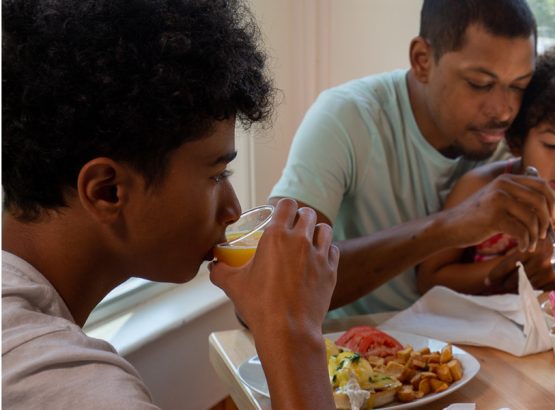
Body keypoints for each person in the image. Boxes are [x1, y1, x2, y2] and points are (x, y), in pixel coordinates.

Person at [2, 1, 339, 408]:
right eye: (217, 175)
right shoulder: (79, 391)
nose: (233, 210)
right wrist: (292, 329)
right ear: (107, 190)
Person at [270, 0, 555, 317]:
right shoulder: (347, 117)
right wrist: (449, 226)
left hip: (472, 351)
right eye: (480, 84)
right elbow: (276, 282)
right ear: (422, 60)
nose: (504, 110)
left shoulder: (515, 138)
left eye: (519, 85)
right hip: (351, 352)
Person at [418, 49, 555, 294]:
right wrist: (513, 269)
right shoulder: (479, 188)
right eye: (551, 145)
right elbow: (429, 279)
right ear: (518, 140)